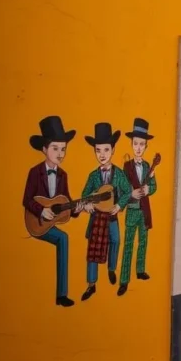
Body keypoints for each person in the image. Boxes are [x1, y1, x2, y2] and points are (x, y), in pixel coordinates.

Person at [22, 116, 84, 307]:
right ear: (44, 149)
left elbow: (64, 203)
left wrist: (78, 209)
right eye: (55, 148)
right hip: (36, 223)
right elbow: (26, 200)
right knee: (63, 238)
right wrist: (42, 211)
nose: (60, 153)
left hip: (51, 223)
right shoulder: (35, 172)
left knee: (63, 235)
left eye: (63, 149)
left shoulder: (63, 175)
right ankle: (61, 294)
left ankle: (61, 296)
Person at [80, 123, 132, 300]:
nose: (102, 154)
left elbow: (128, 190)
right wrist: (87, 204)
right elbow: (85, 194)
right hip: (96, 219)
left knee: (115, 241)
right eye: (98, 150)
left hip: (112, 217)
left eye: (106, 150)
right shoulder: (93, 176)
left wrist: (119, 206)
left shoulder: (118, 174)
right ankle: (91, 284)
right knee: (92, 251)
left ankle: (111, 269)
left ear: (113, 149)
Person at [122, 118, 158, 290]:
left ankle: (140, 270)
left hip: (144, 210)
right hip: (131, 210)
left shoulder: (148, 166)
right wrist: (131, 193)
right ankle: (124, 280)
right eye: (135, 143)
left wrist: (148, 188)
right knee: (128, 244)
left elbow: (154, 185)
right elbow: (121, 187)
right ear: (131, 144)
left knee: (143, 242)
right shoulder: (126, 166)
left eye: (142, 144)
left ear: (146, 146)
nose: (138, 148)